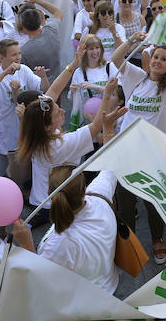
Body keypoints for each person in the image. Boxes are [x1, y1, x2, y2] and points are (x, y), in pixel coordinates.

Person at [18, 62, 126, 227]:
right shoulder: (64, 144)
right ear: (47, 126)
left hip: (39, 201)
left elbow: (53, 91)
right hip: (58, 204)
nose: (63, 111)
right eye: (57, 113)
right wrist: (107, 94)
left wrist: (73, 64)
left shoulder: (33, 130)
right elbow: (97, 125)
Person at [110, 36, 166, 263]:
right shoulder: (135, 79)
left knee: (154, 203)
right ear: (149, 59)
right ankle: (129, 244)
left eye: (164, 59)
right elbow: (115, 57)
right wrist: (132, 40)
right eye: (156, 57)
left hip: (154, 156)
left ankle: (157, 241)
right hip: (127, 154)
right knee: (126, 204)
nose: (158, 61)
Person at [13, 167, 120, 294]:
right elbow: (110, 171)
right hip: (109, 286)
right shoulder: (100, 198)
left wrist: (26, 244)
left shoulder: (59, 244)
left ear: (49, 194)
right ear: (85, 188)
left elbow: (37, 281)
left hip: (86, 305)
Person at [0, 38, 48, 179]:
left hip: (23, 133)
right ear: (1, 57)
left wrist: (43, 77)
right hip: (2, 136)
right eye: (14, 55)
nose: (18, 57)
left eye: (19, 53)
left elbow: (43, 89)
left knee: (24, 177)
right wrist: (5, 73)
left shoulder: (24, 70)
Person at [18, 0, 65, 82]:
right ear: (41, 20)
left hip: (37, 91)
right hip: (58, 85)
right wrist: (37, 0)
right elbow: (58, 12)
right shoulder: (51, 30)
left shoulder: (23, 51)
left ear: (22, 27)